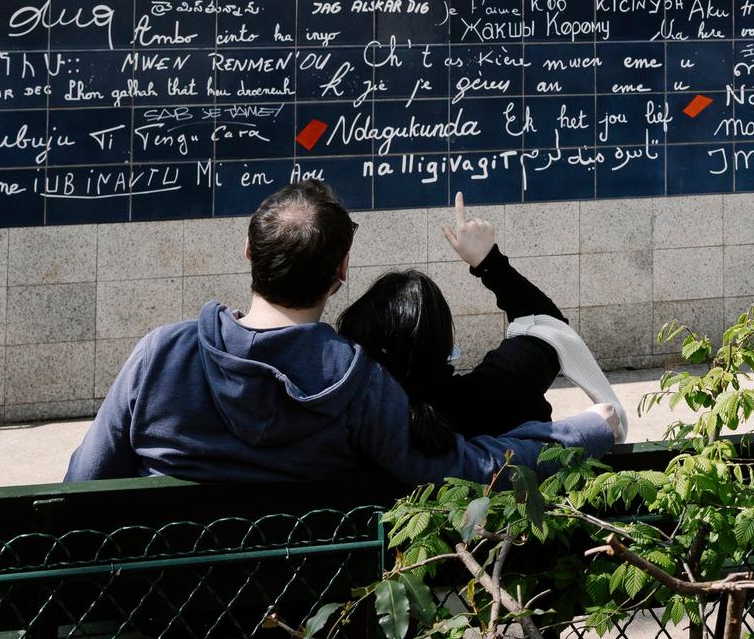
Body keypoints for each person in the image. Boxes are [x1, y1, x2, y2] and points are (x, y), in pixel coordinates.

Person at [64, 182, 622, 485]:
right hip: (304, 603)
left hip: (161, 601)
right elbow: (465, 469)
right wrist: (583, 432)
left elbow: (83, 483)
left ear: (247, 253)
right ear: (341, 275)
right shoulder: (357, 383)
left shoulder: (160, 354)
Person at [339, 195, 625, 449]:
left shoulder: (346, 415)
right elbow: (548, 326)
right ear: (443, 345)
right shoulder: (492, 395)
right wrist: (489, 261)